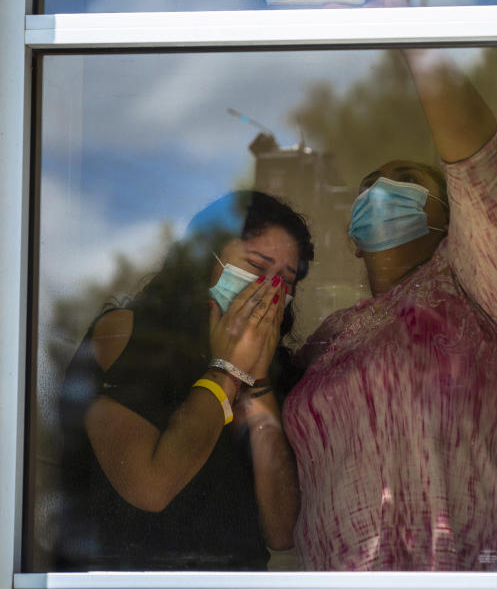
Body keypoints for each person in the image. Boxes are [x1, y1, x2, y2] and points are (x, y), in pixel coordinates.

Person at [281, 0, 497, 571]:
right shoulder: (324, 342)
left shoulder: (473, 288)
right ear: (352, 234)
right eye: (369, 186)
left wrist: (410, 30)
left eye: (404, 180)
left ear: (450, 216)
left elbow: (483, 167)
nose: (381, 192)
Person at [56, 191, 313, 570]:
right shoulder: (125, 333)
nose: (268, 291)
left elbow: (281, 530)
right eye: (257, 267)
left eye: (283, 282)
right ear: (200, 259)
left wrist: (255, 381)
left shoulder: (269, 375)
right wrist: (226, 370)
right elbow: (150, 485)